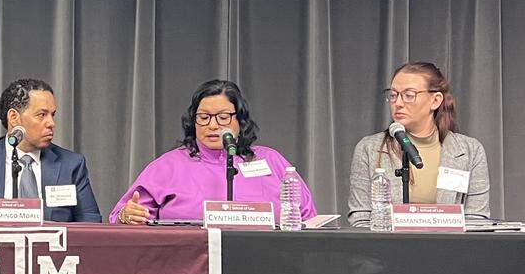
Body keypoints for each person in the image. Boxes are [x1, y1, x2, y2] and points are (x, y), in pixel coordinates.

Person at [110, 79, 316, 225]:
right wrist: (127, 215)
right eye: (204, 117)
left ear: (240, 120)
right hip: (186, 269)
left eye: (223, 117)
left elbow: (309, 219)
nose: (213, 125)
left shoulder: (272, 161)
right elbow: (121, 217)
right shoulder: (168, 166)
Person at [0, 78, 101, 222]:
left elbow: (91, 224)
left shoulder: (71, 164)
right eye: (42, 115)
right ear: (14, 117)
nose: (51, 123)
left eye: (53, 114)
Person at [347, 61, 490, 226]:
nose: (398, 103)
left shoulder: (470, 151)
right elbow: (361, 220)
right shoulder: (369, 149)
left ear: (435, 101)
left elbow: (477, 220)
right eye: (393, 95)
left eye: (409, 95)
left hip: (451, 249)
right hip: (387, 250)